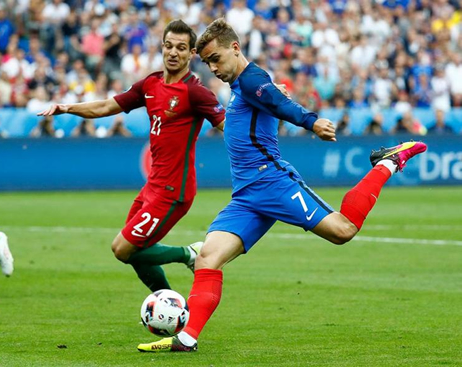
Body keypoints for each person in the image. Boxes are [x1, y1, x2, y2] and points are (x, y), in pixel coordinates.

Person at [137, 18, 427, 353]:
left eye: (215, 58)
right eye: (207, 62)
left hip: (273, 183)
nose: (212, 67)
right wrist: (275, 93)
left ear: (235, 48)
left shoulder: (251, 79)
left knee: (343, 231)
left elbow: (276, 103)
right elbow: (270, 98)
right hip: (246, 197)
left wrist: (312, 121)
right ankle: (186, 340)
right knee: (206, 260)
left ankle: (389, 162)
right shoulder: (243, 85)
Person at [37, 20, 226, 292]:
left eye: (182, 48)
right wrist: (67, 108)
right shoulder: (150, 84)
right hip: (152, 186)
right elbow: (104, 106)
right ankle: (172, 309)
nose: (174, 53)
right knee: (136, 252)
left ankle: (190, 254)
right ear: (162, 47)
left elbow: (228, 126)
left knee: (122, 249)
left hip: (175, 191)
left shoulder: (195, 92)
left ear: (191, 54)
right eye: (169, 46)